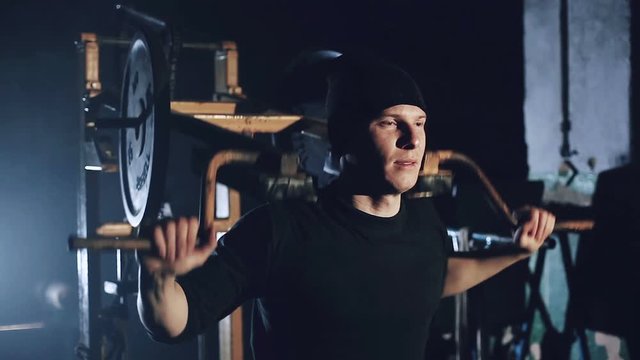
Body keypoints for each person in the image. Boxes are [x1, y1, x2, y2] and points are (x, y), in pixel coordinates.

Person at [137, 55, 555, 360]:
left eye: (420, 123)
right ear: (345, 139)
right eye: (390, 122)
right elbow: (175, 322)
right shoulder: (279, 231)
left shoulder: (424, 225)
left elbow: (434, 275)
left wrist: (515, 251)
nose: (412, 140)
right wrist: (158, 278)